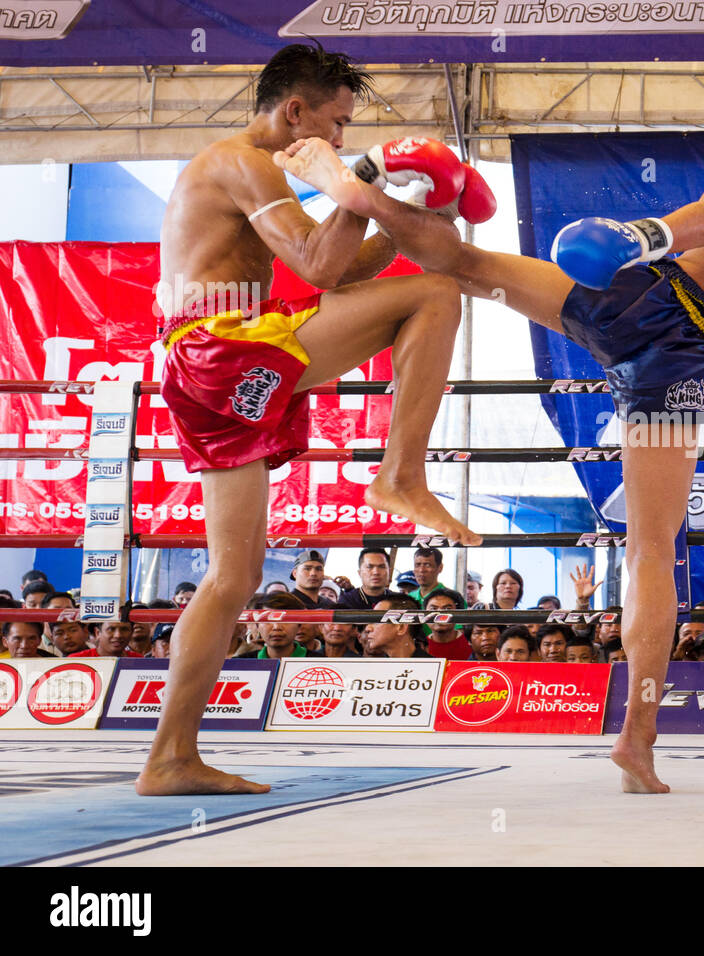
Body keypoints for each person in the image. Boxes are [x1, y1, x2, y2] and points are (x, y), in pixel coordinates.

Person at [280, 70, 704, 793]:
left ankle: (352, 188)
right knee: (651, 551)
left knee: (463, 265)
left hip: (647, 299)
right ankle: (638, 744)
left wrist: (638, 235)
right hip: (693, 361)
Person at [137, 43, 481, 797]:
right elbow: (322, 267)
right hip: (222, 347)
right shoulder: (240, 159)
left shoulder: (249, 173)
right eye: (338, 124)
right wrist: (361, 183)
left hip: (213, 358)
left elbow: (344, 266)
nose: (344, 141)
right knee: (434, 296)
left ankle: (168, 758)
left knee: (233, 577)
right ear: (296, 112)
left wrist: (412, 216)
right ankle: (400, 475)